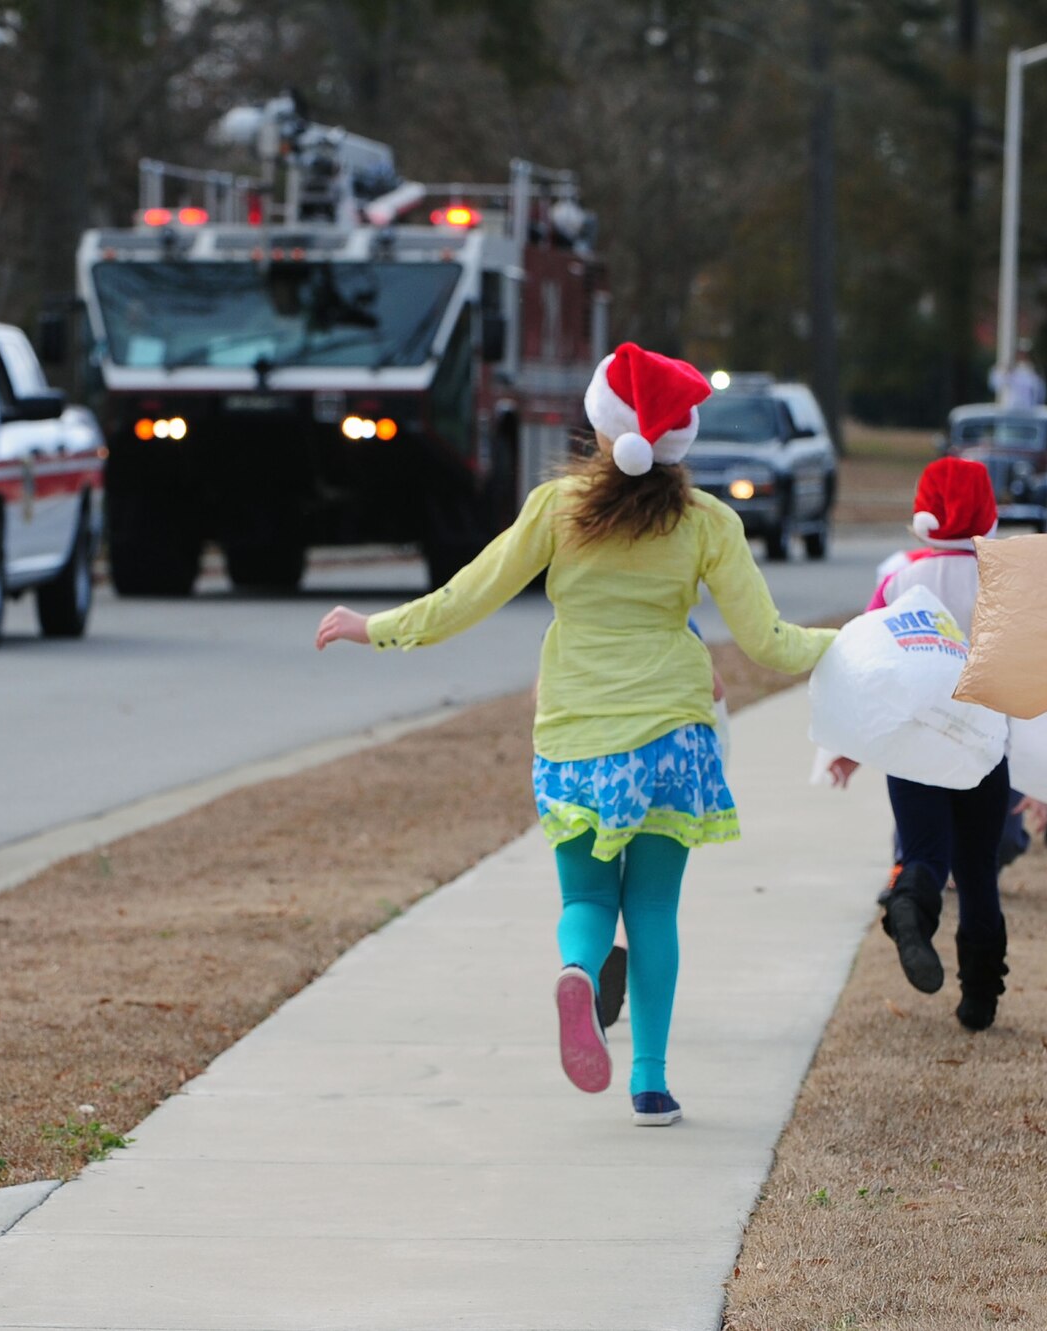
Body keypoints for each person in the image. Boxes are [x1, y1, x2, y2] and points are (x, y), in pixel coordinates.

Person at [316, 342, 835, 1127]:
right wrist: (856, 641)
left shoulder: (556, 510)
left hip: (575, 741)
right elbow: (769, 643)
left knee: (588, 896)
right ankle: (651, 1084)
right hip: (671, 739)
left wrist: (376, 628)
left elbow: (468, 594)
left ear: (601, 427)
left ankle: (576, 969)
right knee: (655, 909)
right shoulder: (708, 523)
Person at [825, 459, 1015, 1031]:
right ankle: (979, 997)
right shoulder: (1003, 582)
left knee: (925, 853)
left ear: (923, 516)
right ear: (990, 513)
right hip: (983, 748)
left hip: (913, 748)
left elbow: (865, 665)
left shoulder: (900, 581)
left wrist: (849, 743)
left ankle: (908, 903)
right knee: (979, 871)